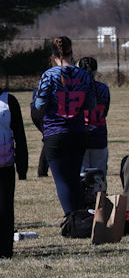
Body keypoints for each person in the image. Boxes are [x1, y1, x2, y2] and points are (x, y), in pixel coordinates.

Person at [31, 37, 90, 219]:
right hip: (78, 131)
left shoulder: (49, 75)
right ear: (72, 53)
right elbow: (91, 104)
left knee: (62, 181)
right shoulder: (84, 75)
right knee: (74, 178)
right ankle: (80, 217)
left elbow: (39, 105)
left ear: (53, 55)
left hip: (56, 132)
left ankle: (72, 220)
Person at [77, 56, 111, 199]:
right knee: (99, 176)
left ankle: (84, 205)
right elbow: (105, 111)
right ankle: (100, 205)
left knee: (82, 176)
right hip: (99, 134)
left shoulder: (77, 89)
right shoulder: (103, 88)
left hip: (81, 134)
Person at [1, 84, 27, 259]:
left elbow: (19, 135)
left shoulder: (9, 101)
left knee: (4, 210)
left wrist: (22, 167)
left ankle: (5, 250)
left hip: (4, 166)